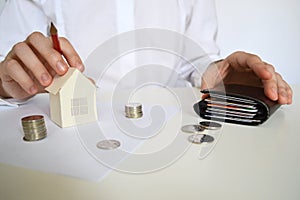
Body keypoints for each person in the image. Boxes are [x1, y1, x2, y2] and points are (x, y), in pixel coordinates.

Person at [0, 0, 292, 104]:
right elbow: (9, 66)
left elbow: (197, 61)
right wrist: (6, 85)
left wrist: (220, 74)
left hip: (172, 135)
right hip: (70, 140)